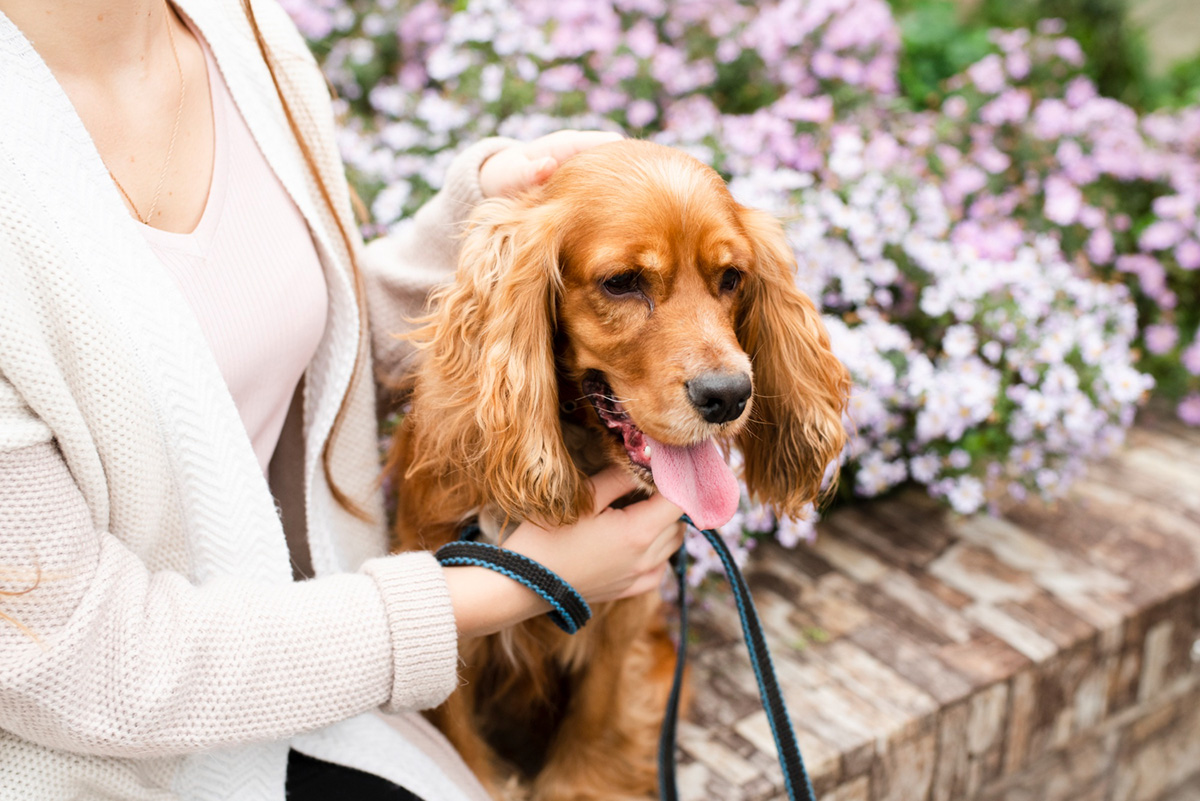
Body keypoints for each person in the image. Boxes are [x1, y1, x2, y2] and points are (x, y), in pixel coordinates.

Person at [0, 1, 685, 799]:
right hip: (98, 763)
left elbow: (252, 347)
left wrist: (486, 228)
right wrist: (511, 583)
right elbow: (84, 664)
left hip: (314, 671)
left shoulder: (243, 38)